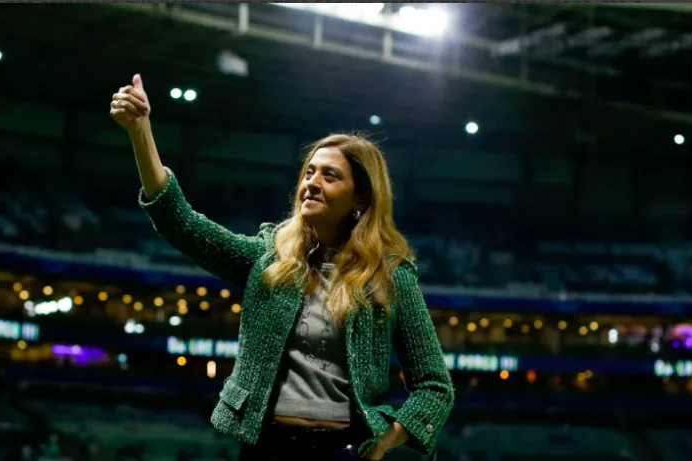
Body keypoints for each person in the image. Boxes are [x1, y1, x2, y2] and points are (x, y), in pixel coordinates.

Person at [110, 74, 455, 461]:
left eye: (330, 175)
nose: (312, 182)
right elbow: (183, 225)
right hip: (265, 447)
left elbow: (434, 385)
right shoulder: (270, 257)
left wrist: (386, 440)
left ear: (360, 196)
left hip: (343, 450)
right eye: (309, 171)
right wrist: (141, 132)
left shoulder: (390, 277)